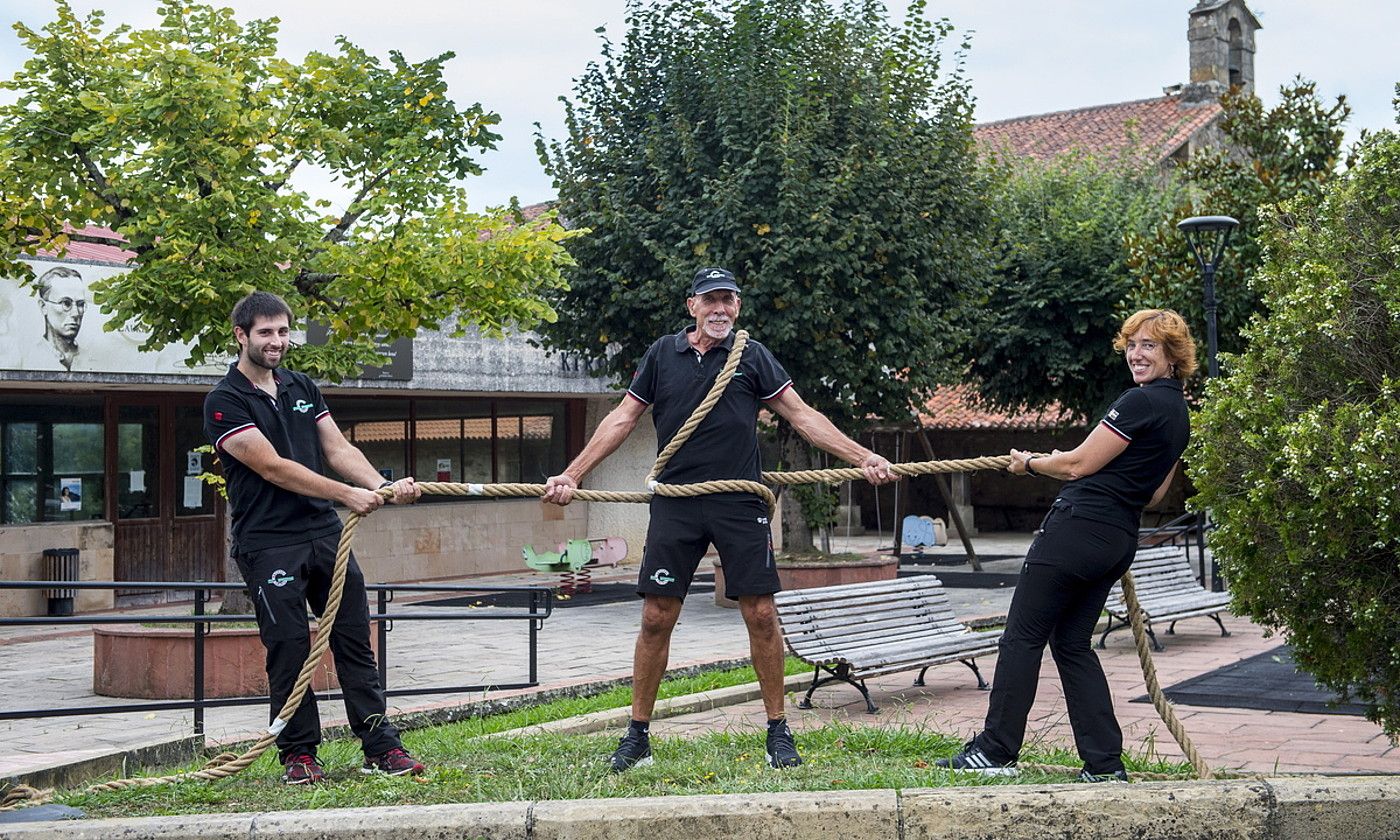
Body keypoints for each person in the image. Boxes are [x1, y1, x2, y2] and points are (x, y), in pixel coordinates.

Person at [542, 266, 896, 772]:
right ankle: (637, 735)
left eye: (728, 300)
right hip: (677, 501)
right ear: (692, 307)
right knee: (655, 616)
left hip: (738, 502)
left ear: (737, 307)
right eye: (710, 300)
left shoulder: (752, 356)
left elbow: (801, 415)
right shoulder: (664, 354)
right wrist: (572, 473)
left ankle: (778, 730)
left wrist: (862, 456)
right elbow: (622, 417)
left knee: (760, 613)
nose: (720, 309)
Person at [937, 308, 1195, 782]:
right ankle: (1103, 764)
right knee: (1073, 645)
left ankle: (995, 751)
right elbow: (1155, 493)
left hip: (1077, 529)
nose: (1136, 354)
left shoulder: (1137, 403)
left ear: (1172, 356)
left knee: (1020, 637)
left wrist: (1032, 463)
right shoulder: (1179, 413)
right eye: (1132, 345)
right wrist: (1065, 463)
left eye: (1149, 346)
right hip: (1117, 539)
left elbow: (1077, 466)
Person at [203, 291, 426, 785]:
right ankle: (299, 755)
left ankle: (380, 746)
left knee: (354, 640)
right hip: (268, 541)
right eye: (265, 332)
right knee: (288, 647)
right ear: (241, 336)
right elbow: (273, 467)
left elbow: (337, 447)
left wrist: (380, 486)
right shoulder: (225, 400)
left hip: (324, 533)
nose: (277, 341)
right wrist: (348, 494)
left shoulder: (302, 386)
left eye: (283, 331)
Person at [34, 266, 88, 371]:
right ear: (43, 306)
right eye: (66, 303)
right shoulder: (28, 358)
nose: (76, 313)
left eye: (80, 304)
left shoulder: (92, 359)